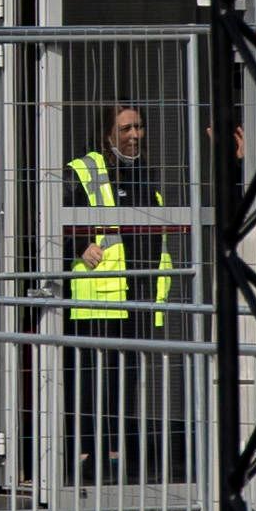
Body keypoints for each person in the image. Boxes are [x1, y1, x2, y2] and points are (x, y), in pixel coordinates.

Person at [62, 101, 184, 488]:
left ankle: (114, 460)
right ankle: (83, 459)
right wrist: (78, 247)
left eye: (139, 128)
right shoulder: (82, 170)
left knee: (123, 384)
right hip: (95, 299)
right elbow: (55, 221)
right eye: (126, 128)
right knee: (89, 382)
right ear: (107, 133)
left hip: (136, 297)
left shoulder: (144, 175)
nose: (134, 135)